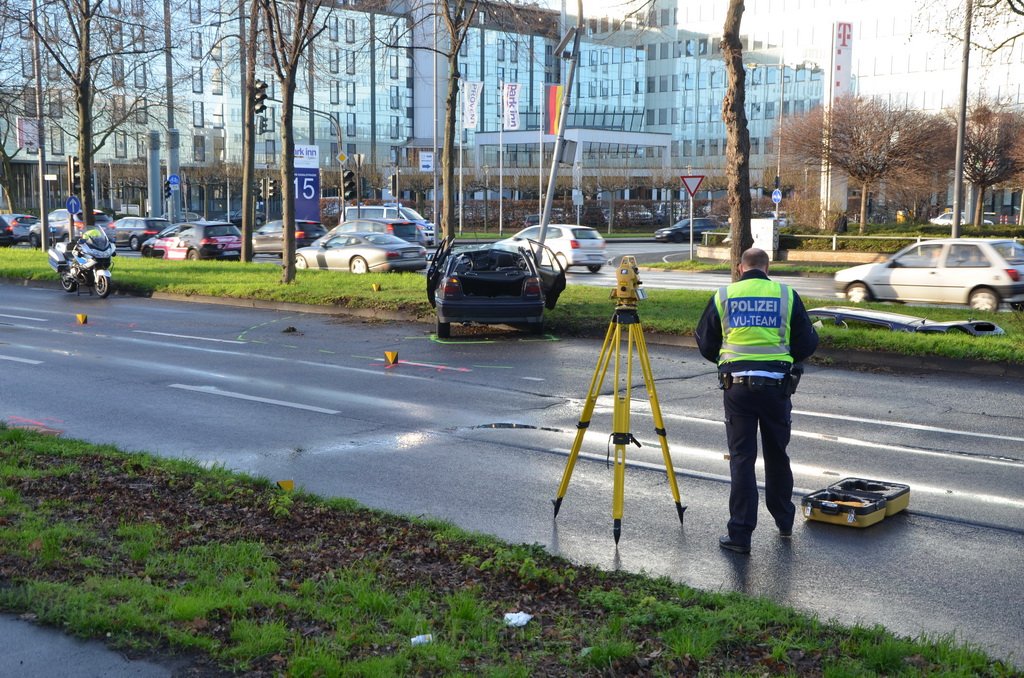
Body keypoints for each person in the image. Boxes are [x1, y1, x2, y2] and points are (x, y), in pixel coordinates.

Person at [695, 248, 819, 554]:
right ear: (768, 267)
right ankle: (784, 520)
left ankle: (740, 535)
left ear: (739, 268)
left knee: (742, 459)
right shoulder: (786, 295)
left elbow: (706, 341)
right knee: (777, 454)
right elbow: (806, 343)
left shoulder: (723, 295)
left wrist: (728, 360)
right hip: (777, 387)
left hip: (736, 388)